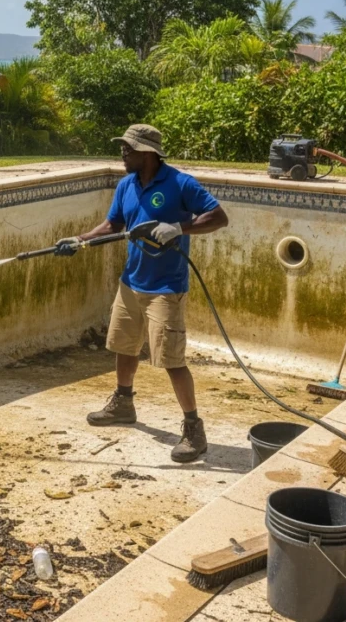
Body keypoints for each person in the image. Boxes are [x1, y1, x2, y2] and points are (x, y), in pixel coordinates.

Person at [56, 124, 229, 463]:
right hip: (131, 282)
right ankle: (123, 404)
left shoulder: (180, 183)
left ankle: (194, 429)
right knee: (124, 345)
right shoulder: (126, 185)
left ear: (148, 153)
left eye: (129, 149)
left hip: (166, 288)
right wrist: (80, 240)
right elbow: (112, 225)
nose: (123, 153)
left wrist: (179, 227)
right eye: (123, 147)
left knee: (171, 360)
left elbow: (219, 217)